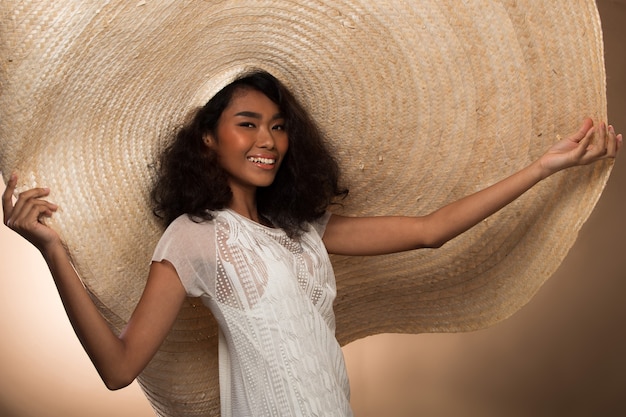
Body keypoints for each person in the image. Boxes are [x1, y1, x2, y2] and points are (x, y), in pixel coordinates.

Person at [2, 70, 622, 416]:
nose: (268, 138)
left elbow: (430, 232)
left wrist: (544, 168)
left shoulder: (303, 232)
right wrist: (53, 253)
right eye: (247, 123)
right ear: (207, 141)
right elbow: (118, 369)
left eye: (277, 126)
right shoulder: (194, 237)